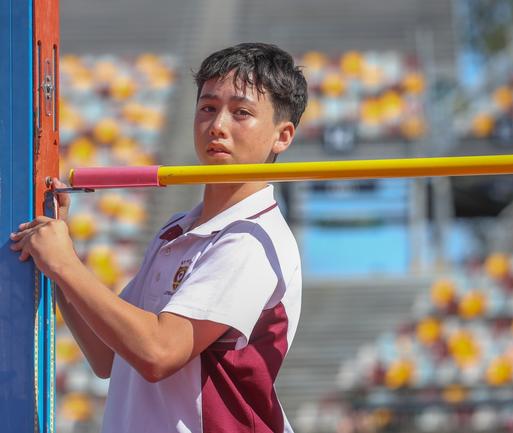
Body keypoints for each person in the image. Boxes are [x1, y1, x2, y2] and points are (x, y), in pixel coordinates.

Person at [10, 42, 308, 433]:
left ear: (282, 136)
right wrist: (59, 265)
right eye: (207, 107)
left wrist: (65, 263)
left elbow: (158, 352)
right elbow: (107, 356)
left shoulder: (252, 237)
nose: (218, 125)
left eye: (242, 113)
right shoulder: (178, 229)